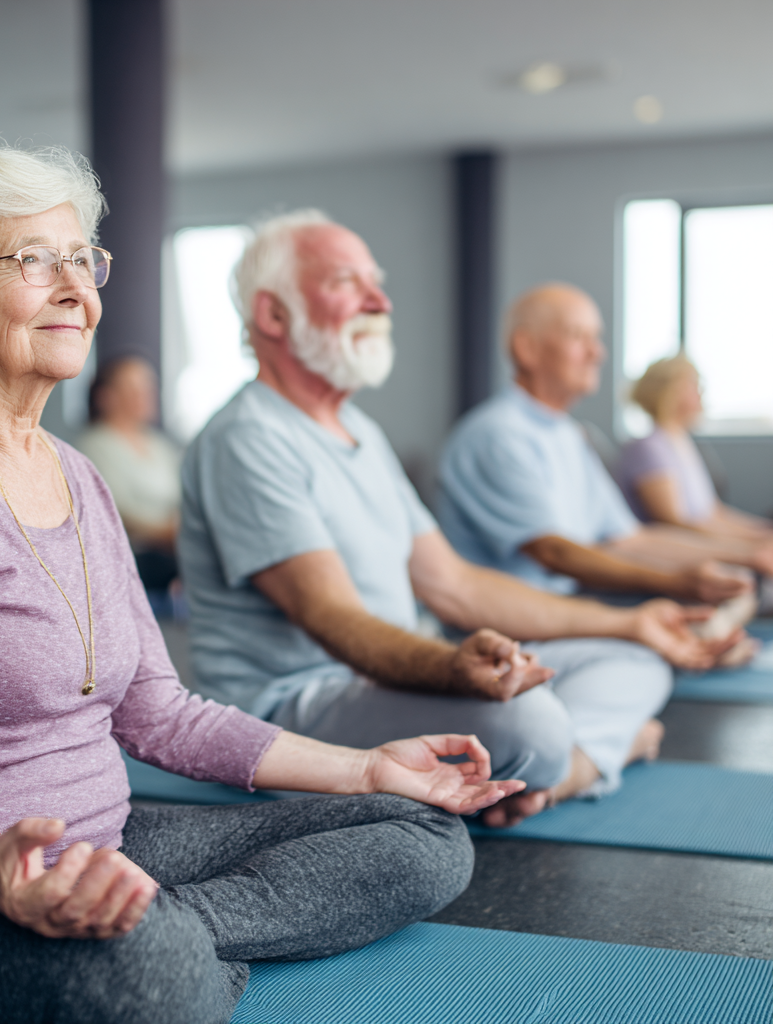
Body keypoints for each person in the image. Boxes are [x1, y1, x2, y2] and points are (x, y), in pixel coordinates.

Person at [0, 146, 523, 1024]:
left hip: (107, 840)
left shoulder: (79, 476)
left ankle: (153, 927)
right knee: (153, 975)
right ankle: (155, 945)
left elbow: (158, 711)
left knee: (425, 834)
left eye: (81, 260)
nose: (74, 286)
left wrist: (367, 766)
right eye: (32, 259)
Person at [178, 210, 733, 835]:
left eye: (377, 282)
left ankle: (568, 769)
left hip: (382, 678)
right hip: (292, 710)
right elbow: (333, 620)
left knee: (637, 659)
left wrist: (630, 621)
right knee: (533, 724)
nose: (379, 300)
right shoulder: (247, 437)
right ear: (273, 316)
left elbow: (455, 585)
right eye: (346, 283)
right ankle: (590, 755)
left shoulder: (359, 429)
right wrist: (451, 669)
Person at [437, 284, 763, 604]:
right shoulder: (498, 435)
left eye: (597, 338)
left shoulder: (568, 433)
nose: (597, 353)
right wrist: (673, 582)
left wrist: (752, 553)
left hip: (564, 609)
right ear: (526, 348)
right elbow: (555, 551)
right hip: (509, 632)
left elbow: (630, 541)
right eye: (579, 337)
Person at [619, 355, 773, 561]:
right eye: (692, 385)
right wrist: (747, 548)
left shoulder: (683, 443)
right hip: (672, 559)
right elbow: (674, 523)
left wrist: (762, 532)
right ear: (669, 392)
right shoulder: (649, 448)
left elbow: (713, 513)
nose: (701, 392)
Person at [76, 356, 181, 592]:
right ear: (107, 396)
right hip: (132, 556)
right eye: (134, 388)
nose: (146, 395)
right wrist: (168, 534)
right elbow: (116, 511)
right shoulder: (93, 446)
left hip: (171, 548)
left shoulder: (159, 445)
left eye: (148, 387)